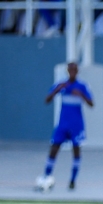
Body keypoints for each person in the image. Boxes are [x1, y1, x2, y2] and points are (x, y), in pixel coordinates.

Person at [36, 62, 93, 192]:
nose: (72, 71)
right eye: (70, 69)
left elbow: (91, 103)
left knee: (76, 150)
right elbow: (47, 100)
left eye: (74, 69)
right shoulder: (61, 84)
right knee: (54, 148)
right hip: (63, 123)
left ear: (77, 71)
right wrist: (56, 90)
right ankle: (46, 175)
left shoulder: (82, 86)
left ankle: (72, 180)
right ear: (67, 71)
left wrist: (81, 95)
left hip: (76, 125)